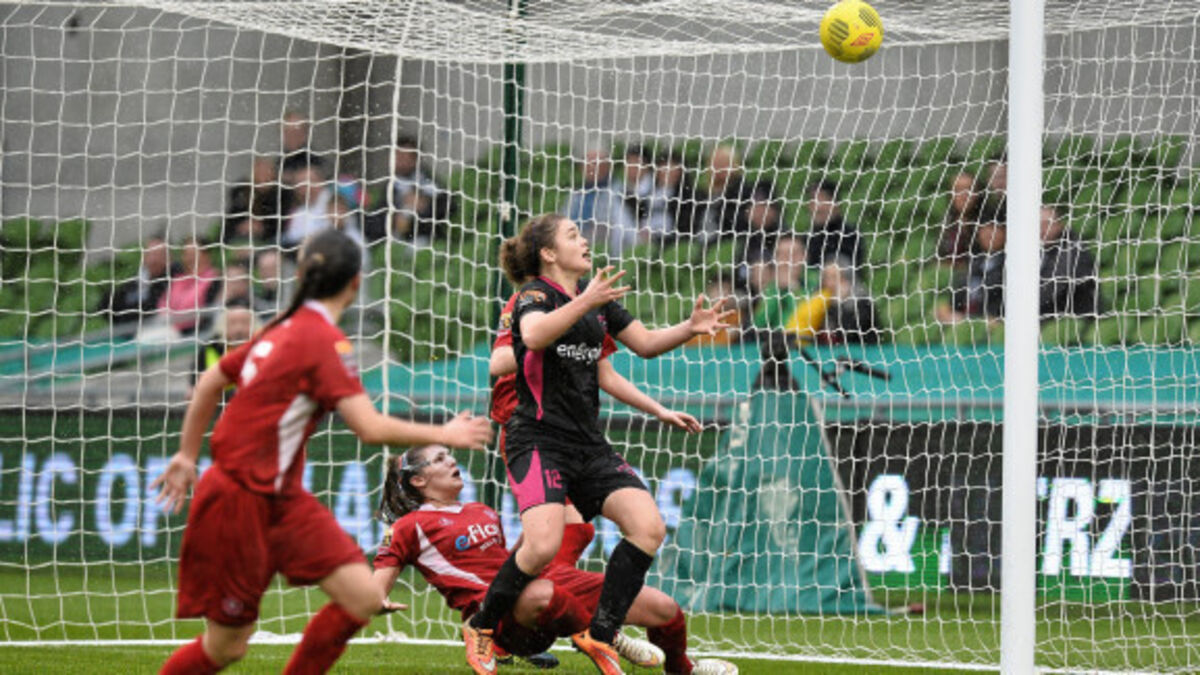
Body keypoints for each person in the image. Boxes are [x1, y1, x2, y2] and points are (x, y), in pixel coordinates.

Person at [152, 229, 494, 675]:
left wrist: (186, 454)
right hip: (240, 499)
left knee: (363, 597)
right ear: (356, 282)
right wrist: (446, 432)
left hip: (281, 499)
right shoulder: (322, 341)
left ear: (303, 276)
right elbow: (369, 427)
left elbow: (210, 381)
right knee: (226, 647)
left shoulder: (283, 329)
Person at [462, 213, 733, 675]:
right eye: (573, 235)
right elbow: (531, 337)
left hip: (588, 443)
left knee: (648, 527)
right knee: (543, 545)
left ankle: (601, 633)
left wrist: (688, 330)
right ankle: (484, 626)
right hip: (538, 438)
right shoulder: (533, 297)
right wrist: (584, 301)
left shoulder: (597, 301)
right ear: (549, 253)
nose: (585, 240)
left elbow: (644, 344)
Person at [373, 445, 739, 675]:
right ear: (418, 480)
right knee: (542, 593)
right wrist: (377, 600)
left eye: (449, 454)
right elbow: (379, 582)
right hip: (502, 616)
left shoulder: (481, 510)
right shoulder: (409, 526)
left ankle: (681, 669)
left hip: (539, 583)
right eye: (439, 459)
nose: (452, 460)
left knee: (664, 608)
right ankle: (606, 637)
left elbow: (512, 559)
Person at [562, 147, 638, 258]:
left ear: (609, 165)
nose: (593, 168)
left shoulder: (621, 190)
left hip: (610, 252)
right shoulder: (575, 195)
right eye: (588, 163)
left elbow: (626, 229)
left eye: (599, 163)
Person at [383, 135, 453, 245]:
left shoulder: (426, 180)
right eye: (397, 156)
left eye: (405, 157)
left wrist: (424, 203)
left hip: (424, 237)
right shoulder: (390, 185)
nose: (400, 161)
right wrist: (394, 218)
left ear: (416, 159)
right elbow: (378, 219)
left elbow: (447, 205)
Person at [100, 235, 180, 325]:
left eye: (158, 255)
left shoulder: (174, 280)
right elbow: (109, 307)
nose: (153, 260)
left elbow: (152, 309)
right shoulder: (137, 280)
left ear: (169, 259)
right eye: (150, 254)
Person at [937, 220, 1006, 323]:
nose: (988, 233)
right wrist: (949, 310)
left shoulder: (1010, 266)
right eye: (984, 228)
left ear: (1005, 232)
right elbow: (957, 297)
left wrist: (966, 319)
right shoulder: (975, 262)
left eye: (994, 227)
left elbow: (997, 314)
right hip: (966, 321)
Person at [1039, 205, 1099, 318]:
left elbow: (1049, 290)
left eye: (1047, 224)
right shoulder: (1039, 250)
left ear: (1059, 225)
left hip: (1076, 319)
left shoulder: (1072, 249)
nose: (1042, 229)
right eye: (1038, 225)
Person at [190, 304, 257, 395]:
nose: (239, 329)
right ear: (223, 326)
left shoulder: (262, 348)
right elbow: (193, 387)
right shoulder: (208, 348)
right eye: (233, 323)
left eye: (245, 323)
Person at [159, 238, 222, 335]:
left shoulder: (215, 279)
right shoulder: (177, 278)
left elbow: (206, 309)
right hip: (169, 328)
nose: (189, 258)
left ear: (206, 255)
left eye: (193, 254)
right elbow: (163, 304)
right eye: (186, 254)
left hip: (196, 331)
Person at [803, 179, 865, 275]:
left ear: (836, 204)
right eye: (814, 201)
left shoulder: (850, 235)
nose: (819, 207)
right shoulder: (806, 239)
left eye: (824, 200)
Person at [816, 261, 882, 344]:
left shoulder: (863, 300)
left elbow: (849, 332)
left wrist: (839, 304)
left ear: (846, 280)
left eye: (834, 277)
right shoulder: (822, 301)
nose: (829, 283)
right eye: (826, 278)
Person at [697, 143, 752, 238]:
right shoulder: (701, 193)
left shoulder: (743, 192)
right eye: (715, 164)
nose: (719, 168)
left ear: (735, 166)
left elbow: (737, 223)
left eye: (724, 164)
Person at [936, 171, 981, 269]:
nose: (963, 195)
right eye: (958, 189)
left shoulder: (987, 221)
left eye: (969, 189)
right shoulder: (947, 221)